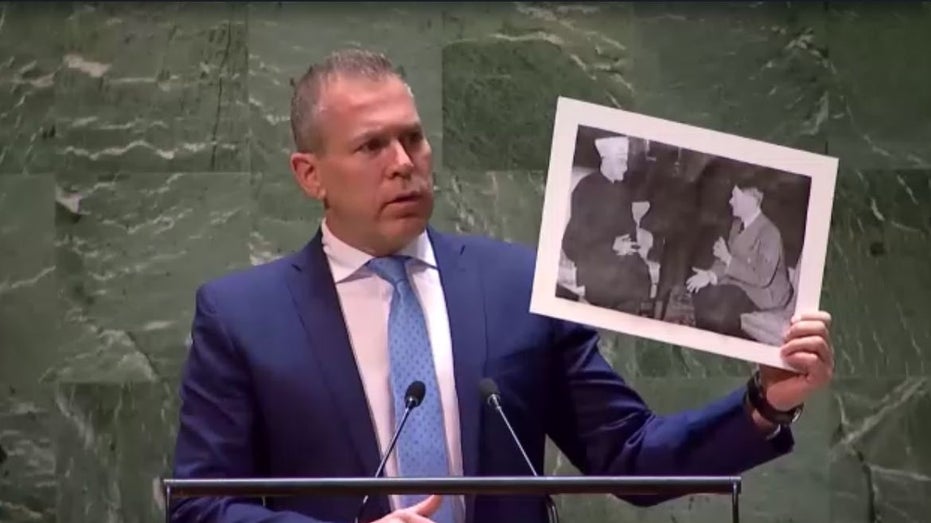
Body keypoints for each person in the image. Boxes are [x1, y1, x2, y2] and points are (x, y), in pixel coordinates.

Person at [169, 48, 834, 523]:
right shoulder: (242, 315)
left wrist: (763, 402)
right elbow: (200, 504)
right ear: (310, 174)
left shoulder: (515, 284)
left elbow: (629, 458)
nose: (403, 164)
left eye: (413, 139)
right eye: (372, 147)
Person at [686, 183, 793, 339]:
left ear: (750, 201)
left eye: (734, 197)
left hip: (766, 294)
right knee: (704, 293)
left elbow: (762, 277)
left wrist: (728, 259)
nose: (730, 201)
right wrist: (710, 275)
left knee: (721, 310)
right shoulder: (737, 225)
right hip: (742, 282)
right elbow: (726, 259)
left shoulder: (769, 233)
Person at [560, 135, 653, 313]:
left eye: (626, 162)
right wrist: (612, 246)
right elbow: (572, 243)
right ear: (606, 159)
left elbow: (629, 231)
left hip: (624, 269)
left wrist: (630, 246)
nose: (625, 168)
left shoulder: (623, 191)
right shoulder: (586, 189)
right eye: (620, 161)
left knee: (641, 284)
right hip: (598, 270)